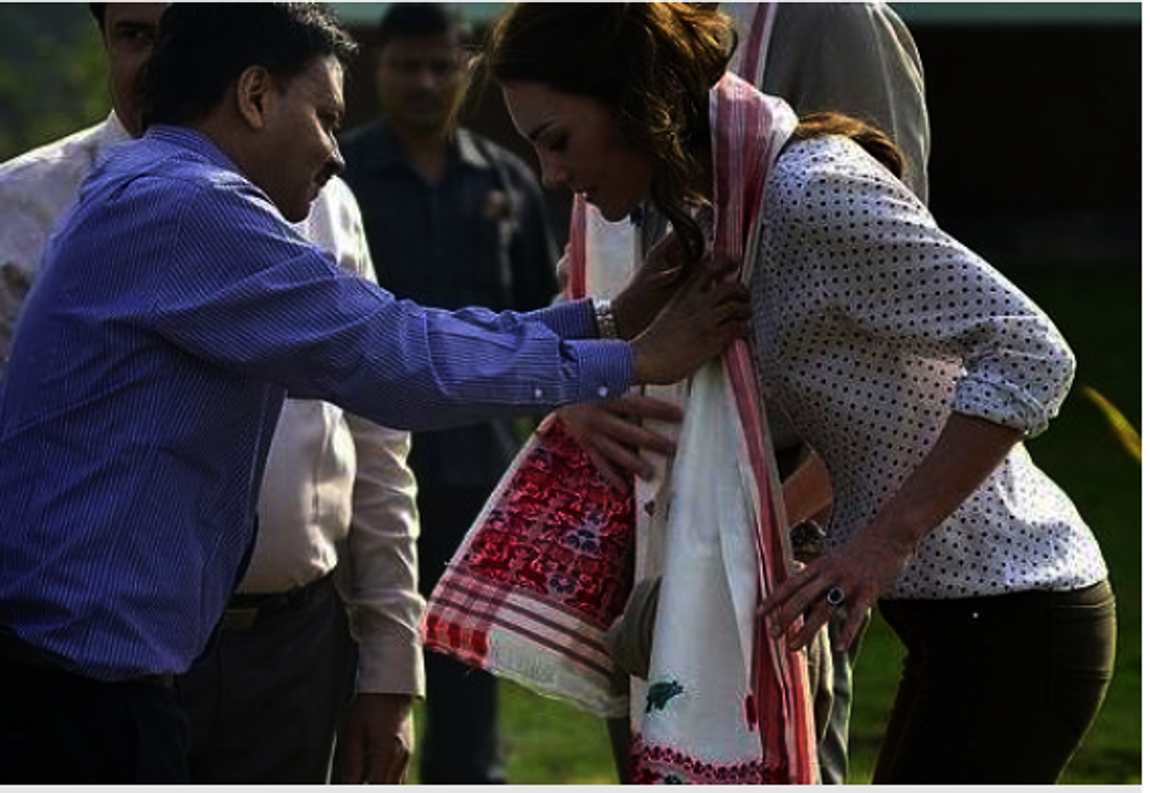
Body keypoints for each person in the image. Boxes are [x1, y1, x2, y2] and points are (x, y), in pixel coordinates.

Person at [0, 4, 750, 784]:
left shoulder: (153, 186)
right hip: (78, 694)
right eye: (325, 116)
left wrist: (604, 318)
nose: (336, 152)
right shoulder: (189, 206)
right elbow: (400, 360)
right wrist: (631, 358)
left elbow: (402, 336)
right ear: (256, 95)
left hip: (93, 674)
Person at [482, 3, 1115, 784]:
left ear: (632, 100)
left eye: (557, 141)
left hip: (1019, 612)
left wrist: (884, 541)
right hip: (963, 624)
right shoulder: (731, 212)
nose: (552, 177)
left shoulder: (810, 191)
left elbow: (1034, 351)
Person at [0, 4, 421, 783]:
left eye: (192, 31)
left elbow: (377, 427)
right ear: (102, 40)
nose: (170, 60)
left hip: (292, 652)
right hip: (81, 671)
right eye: (137, 36)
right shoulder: (20, 205)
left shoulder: (320, 194)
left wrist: (390, 661)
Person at [556, 2, 932, 783]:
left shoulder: (826, 22)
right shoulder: (620, 18)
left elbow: (897, 310)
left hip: (771, 505)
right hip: (641, 500)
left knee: (763, 758)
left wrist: (793, 521)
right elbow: (603, 248)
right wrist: (580, 383)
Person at [338, 5, 559, 783]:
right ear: (380, 68)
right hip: (364, 468)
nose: (425, 82)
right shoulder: (338, 178)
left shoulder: (507, 181)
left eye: (442, 65)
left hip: (482, 466)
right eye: (408, 65)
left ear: (468, 69)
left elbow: (546, 322)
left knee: (469, 658)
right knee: (359, 657)